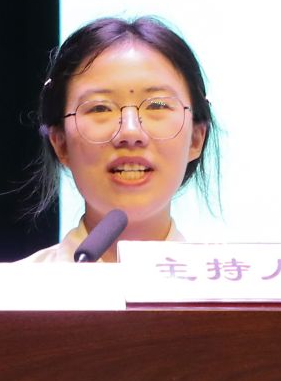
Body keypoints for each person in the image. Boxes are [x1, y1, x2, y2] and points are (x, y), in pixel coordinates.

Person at [20, 15, 217, 262]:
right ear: (60, 143)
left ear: (196, 139)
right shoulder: (12, 286)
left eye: (157, 105)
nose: (130, 132)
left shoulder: (238, 285)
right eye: (100, 108)